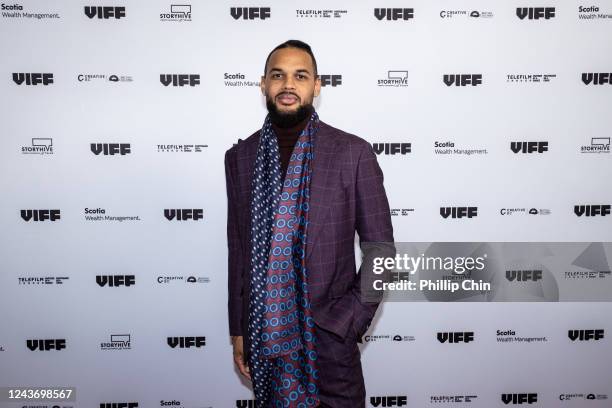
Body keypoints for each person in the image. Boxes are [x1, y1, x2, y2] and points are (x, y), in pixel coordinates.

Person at [225, 39, 395, 408]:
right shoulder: (240, 158)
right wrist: (238, 328)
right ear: (263, 85)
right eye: (278, 75)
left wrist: (346, 323)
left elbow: (382, 253)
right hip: (263, 342)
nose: (288, 85)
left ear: (316, 86)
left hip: (331, 346)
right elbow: (238, 251)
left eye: (300, 76)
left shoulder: (352, 153)